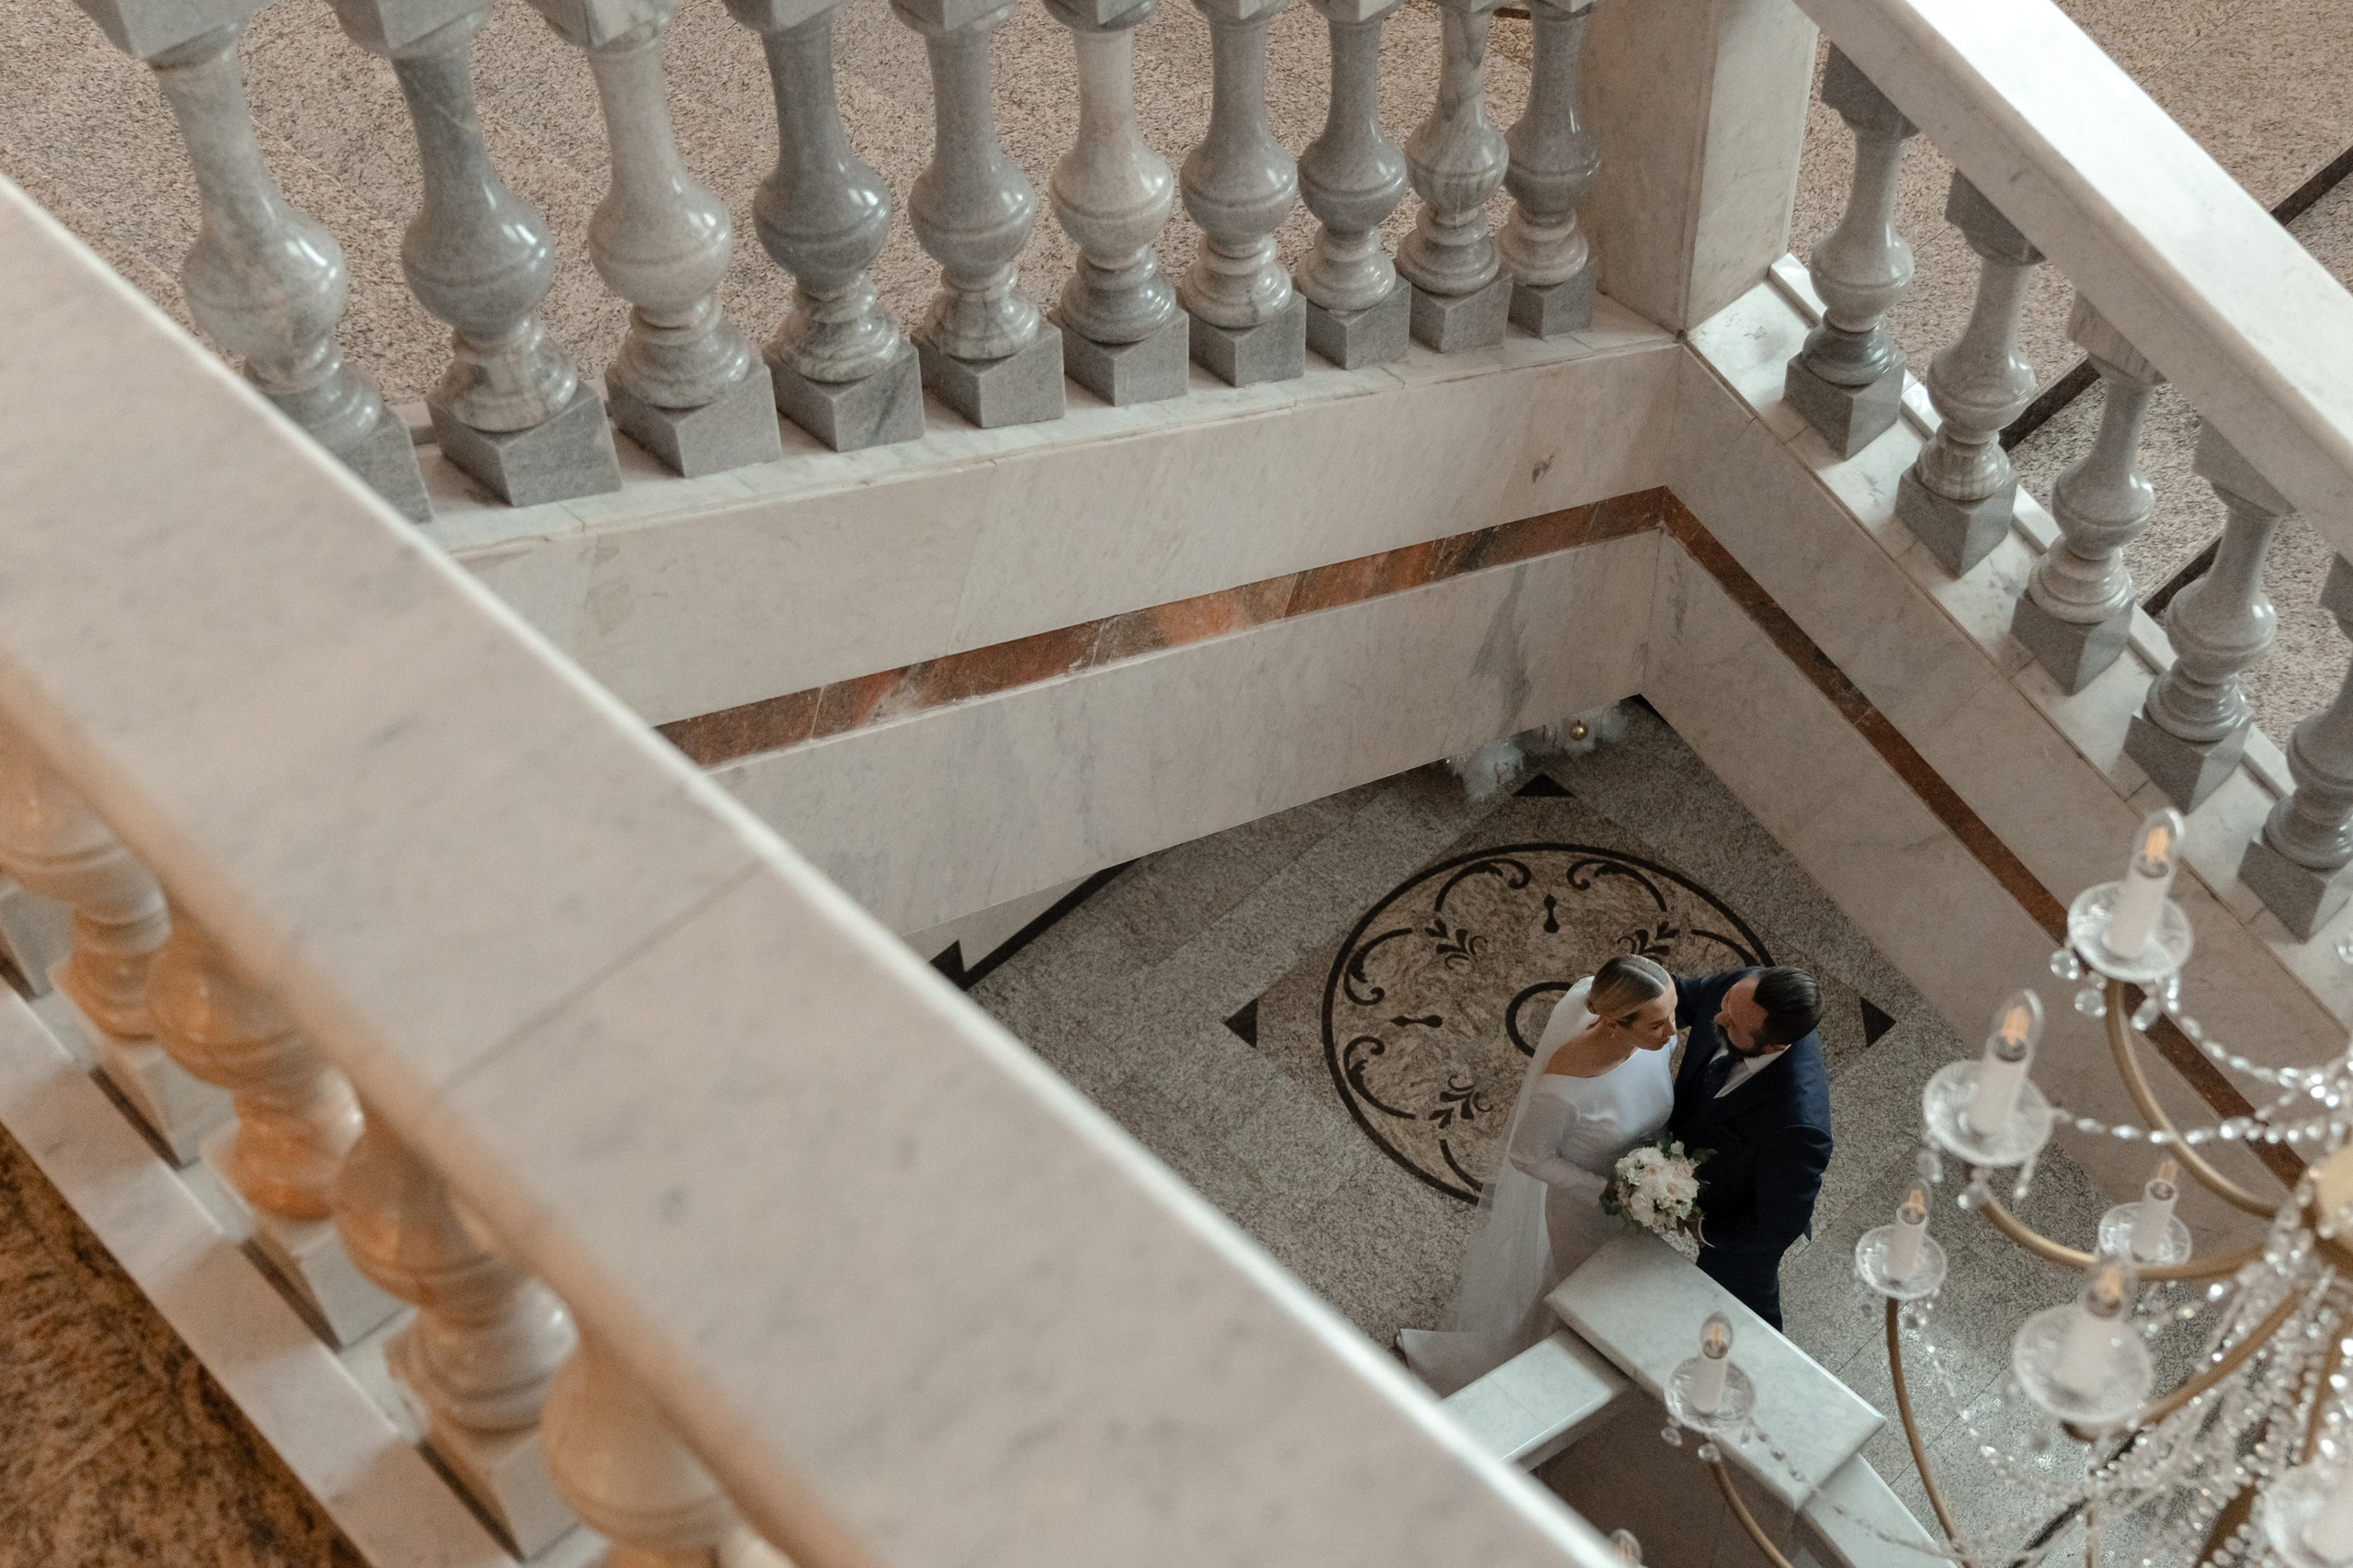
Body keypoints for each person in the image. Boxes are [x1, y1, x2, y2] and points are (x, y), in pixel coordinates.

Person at [1399, 955, 1678, 1395]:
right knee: (1579, 1289)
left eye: (1673, 1013)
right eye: (1657, 1024)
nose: (1673, 1032)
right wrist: (1606, 1192)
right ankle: (1544, 1375)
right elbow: (1529, 1158)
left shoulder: (1654, 1044)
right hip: (1583, 1211)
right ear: (1612, 1023)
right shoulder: (1562, 1092)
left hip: (1637, 1190)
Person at [1665, 966, 1831, 1331]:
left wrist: (1704, 1229)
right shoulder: (1744, 993)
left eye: (1734, 1025)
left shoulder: (1799, 1126)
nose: (1719, 1016)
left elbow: (1776, 1225)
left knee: (1742, 1304)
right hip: (1697, 1159)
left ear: (1773, 1047)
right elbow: (1678, 995)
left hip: (1739, 1216)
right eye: (1726, 1002)